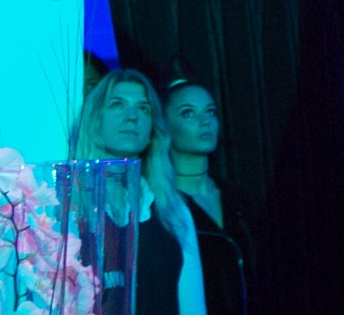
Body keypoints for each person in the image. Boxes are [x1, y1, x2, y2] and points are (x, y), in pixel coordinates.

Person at [74, 66, 205, 315]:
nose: (132, 116)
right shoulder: (70, 208)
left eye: (143, 109)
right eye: (117, 104)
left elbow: (193, 306)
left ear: (152, 131)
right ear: (95, 118)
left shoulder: (172, 209)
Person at [162, 79, 248, 315]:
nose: (204, 120)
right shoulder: (162, 206)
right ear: (165, 126)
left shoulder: (236, 198)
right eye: (188, 113)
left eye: (210, 112)